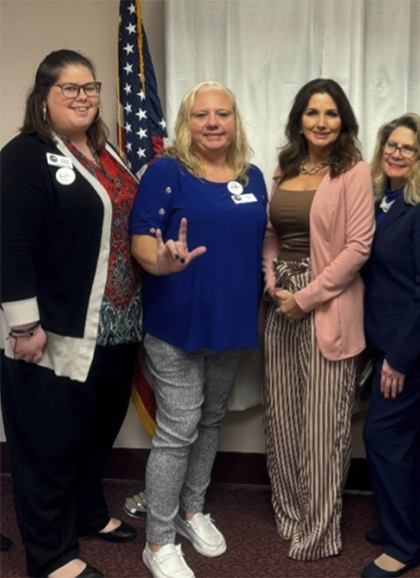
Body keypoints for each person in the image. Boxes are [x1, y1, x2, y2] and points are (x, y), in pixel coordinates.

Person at [0, 49, 142, 578]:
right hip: (54, 327)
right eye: (70, 88)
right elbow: (10, 246)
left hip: (119, 325)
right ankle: (52, 556)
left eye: (91, 87)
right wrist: (24, 325)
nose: (84, 96)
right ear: (44, 97)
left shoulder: (107, 153)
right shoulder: (25, 155)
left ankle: (87, 513)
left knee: (95, 431)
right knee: (47, 444)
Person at [130, 81, 268, 578]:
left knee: (210, 421)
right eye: (202, 114)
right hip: (176, 323)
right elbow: (142, 239)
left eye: (223, 114)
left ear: (235, 121)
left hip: (229, 322)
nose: (213, 123)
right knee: (177, 430)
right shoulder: (166, 171)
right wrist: (161, 262)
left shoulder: (252, 176)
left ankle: (192, 512)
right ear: (186, 123)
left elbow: (256, 243)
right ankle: (159, 541)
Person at [262, 78, 375, 561]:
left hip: (324, 306)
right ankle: (289, 513)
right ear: (299, 119)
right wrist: (271, 281)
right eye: (312, 113)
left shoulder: (353, 171)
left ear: (343, 120)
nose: (321, 122)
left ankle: (319, 530)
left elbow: (357, 249)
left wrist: (304, 298)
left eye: (331, 114)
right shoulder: (284, 167)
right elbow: (269, 233)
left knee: (323, 428)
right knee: (283, 421)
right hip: (277, 303)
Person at [360, 114, 420, 578]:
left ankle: (403, 546)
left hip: (416, 345)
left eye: (408, 148)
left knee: (383, 433)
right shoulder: (385, 202)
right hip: (389, 342)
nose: (397, 153)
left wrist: (398, 358)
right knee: (408, 431)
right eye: (391, 145)